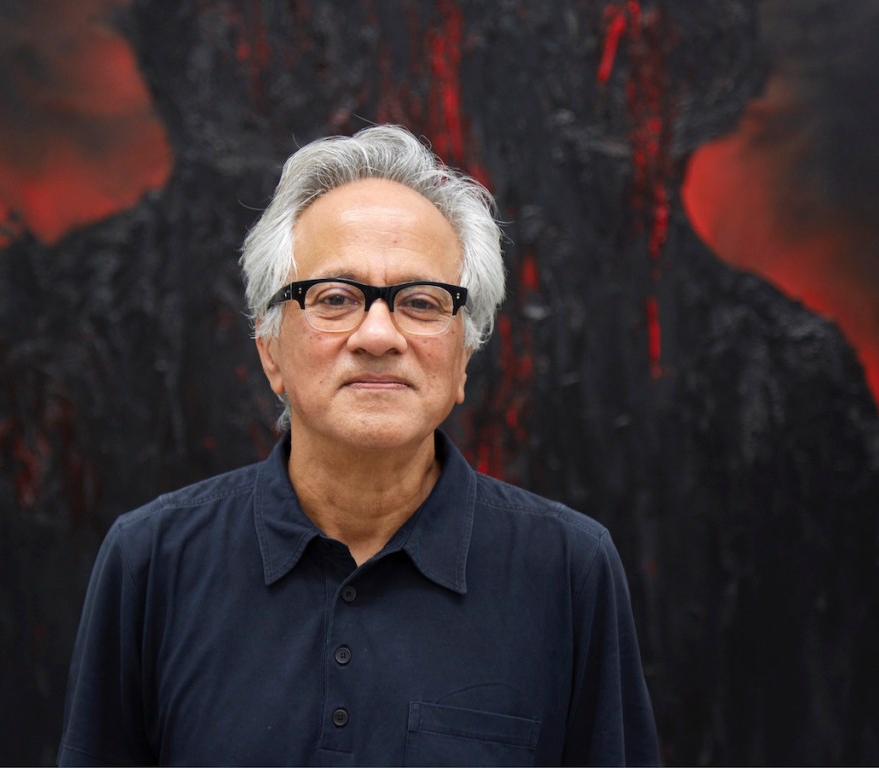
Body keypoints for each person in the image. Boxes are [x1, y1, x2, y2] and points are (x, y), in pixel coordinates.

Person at [57, 124, 659, 766]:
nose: (378, 335)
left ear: (464, 358)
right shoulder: (153, 562)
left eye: (421, 302)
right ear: (270, 350)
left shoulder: (568, 571)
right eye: (336, 298)